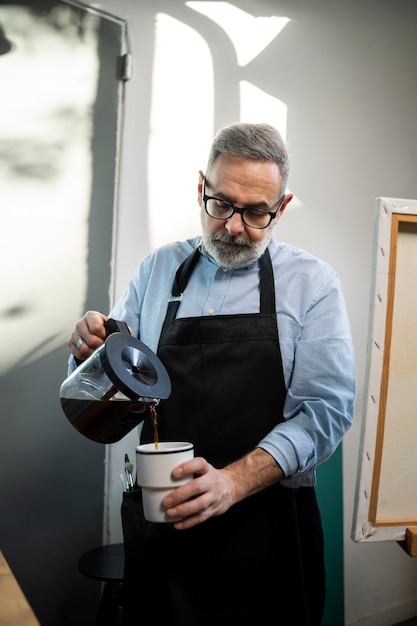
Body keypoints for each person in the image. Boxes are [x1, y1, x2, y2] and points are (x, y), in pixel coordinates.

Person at [68, 122, 356, 625]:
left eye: (256, 212)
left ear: (281, 208)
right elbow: (118, 389)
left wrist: (233, 483)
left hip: (267, 539)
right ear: (202, 187)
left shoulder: (313, 285)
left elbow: (326, 412)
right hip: (166, 536)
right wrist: (89, 354)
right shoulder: (157, 271)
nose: (233, 227)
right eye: (220, 204)